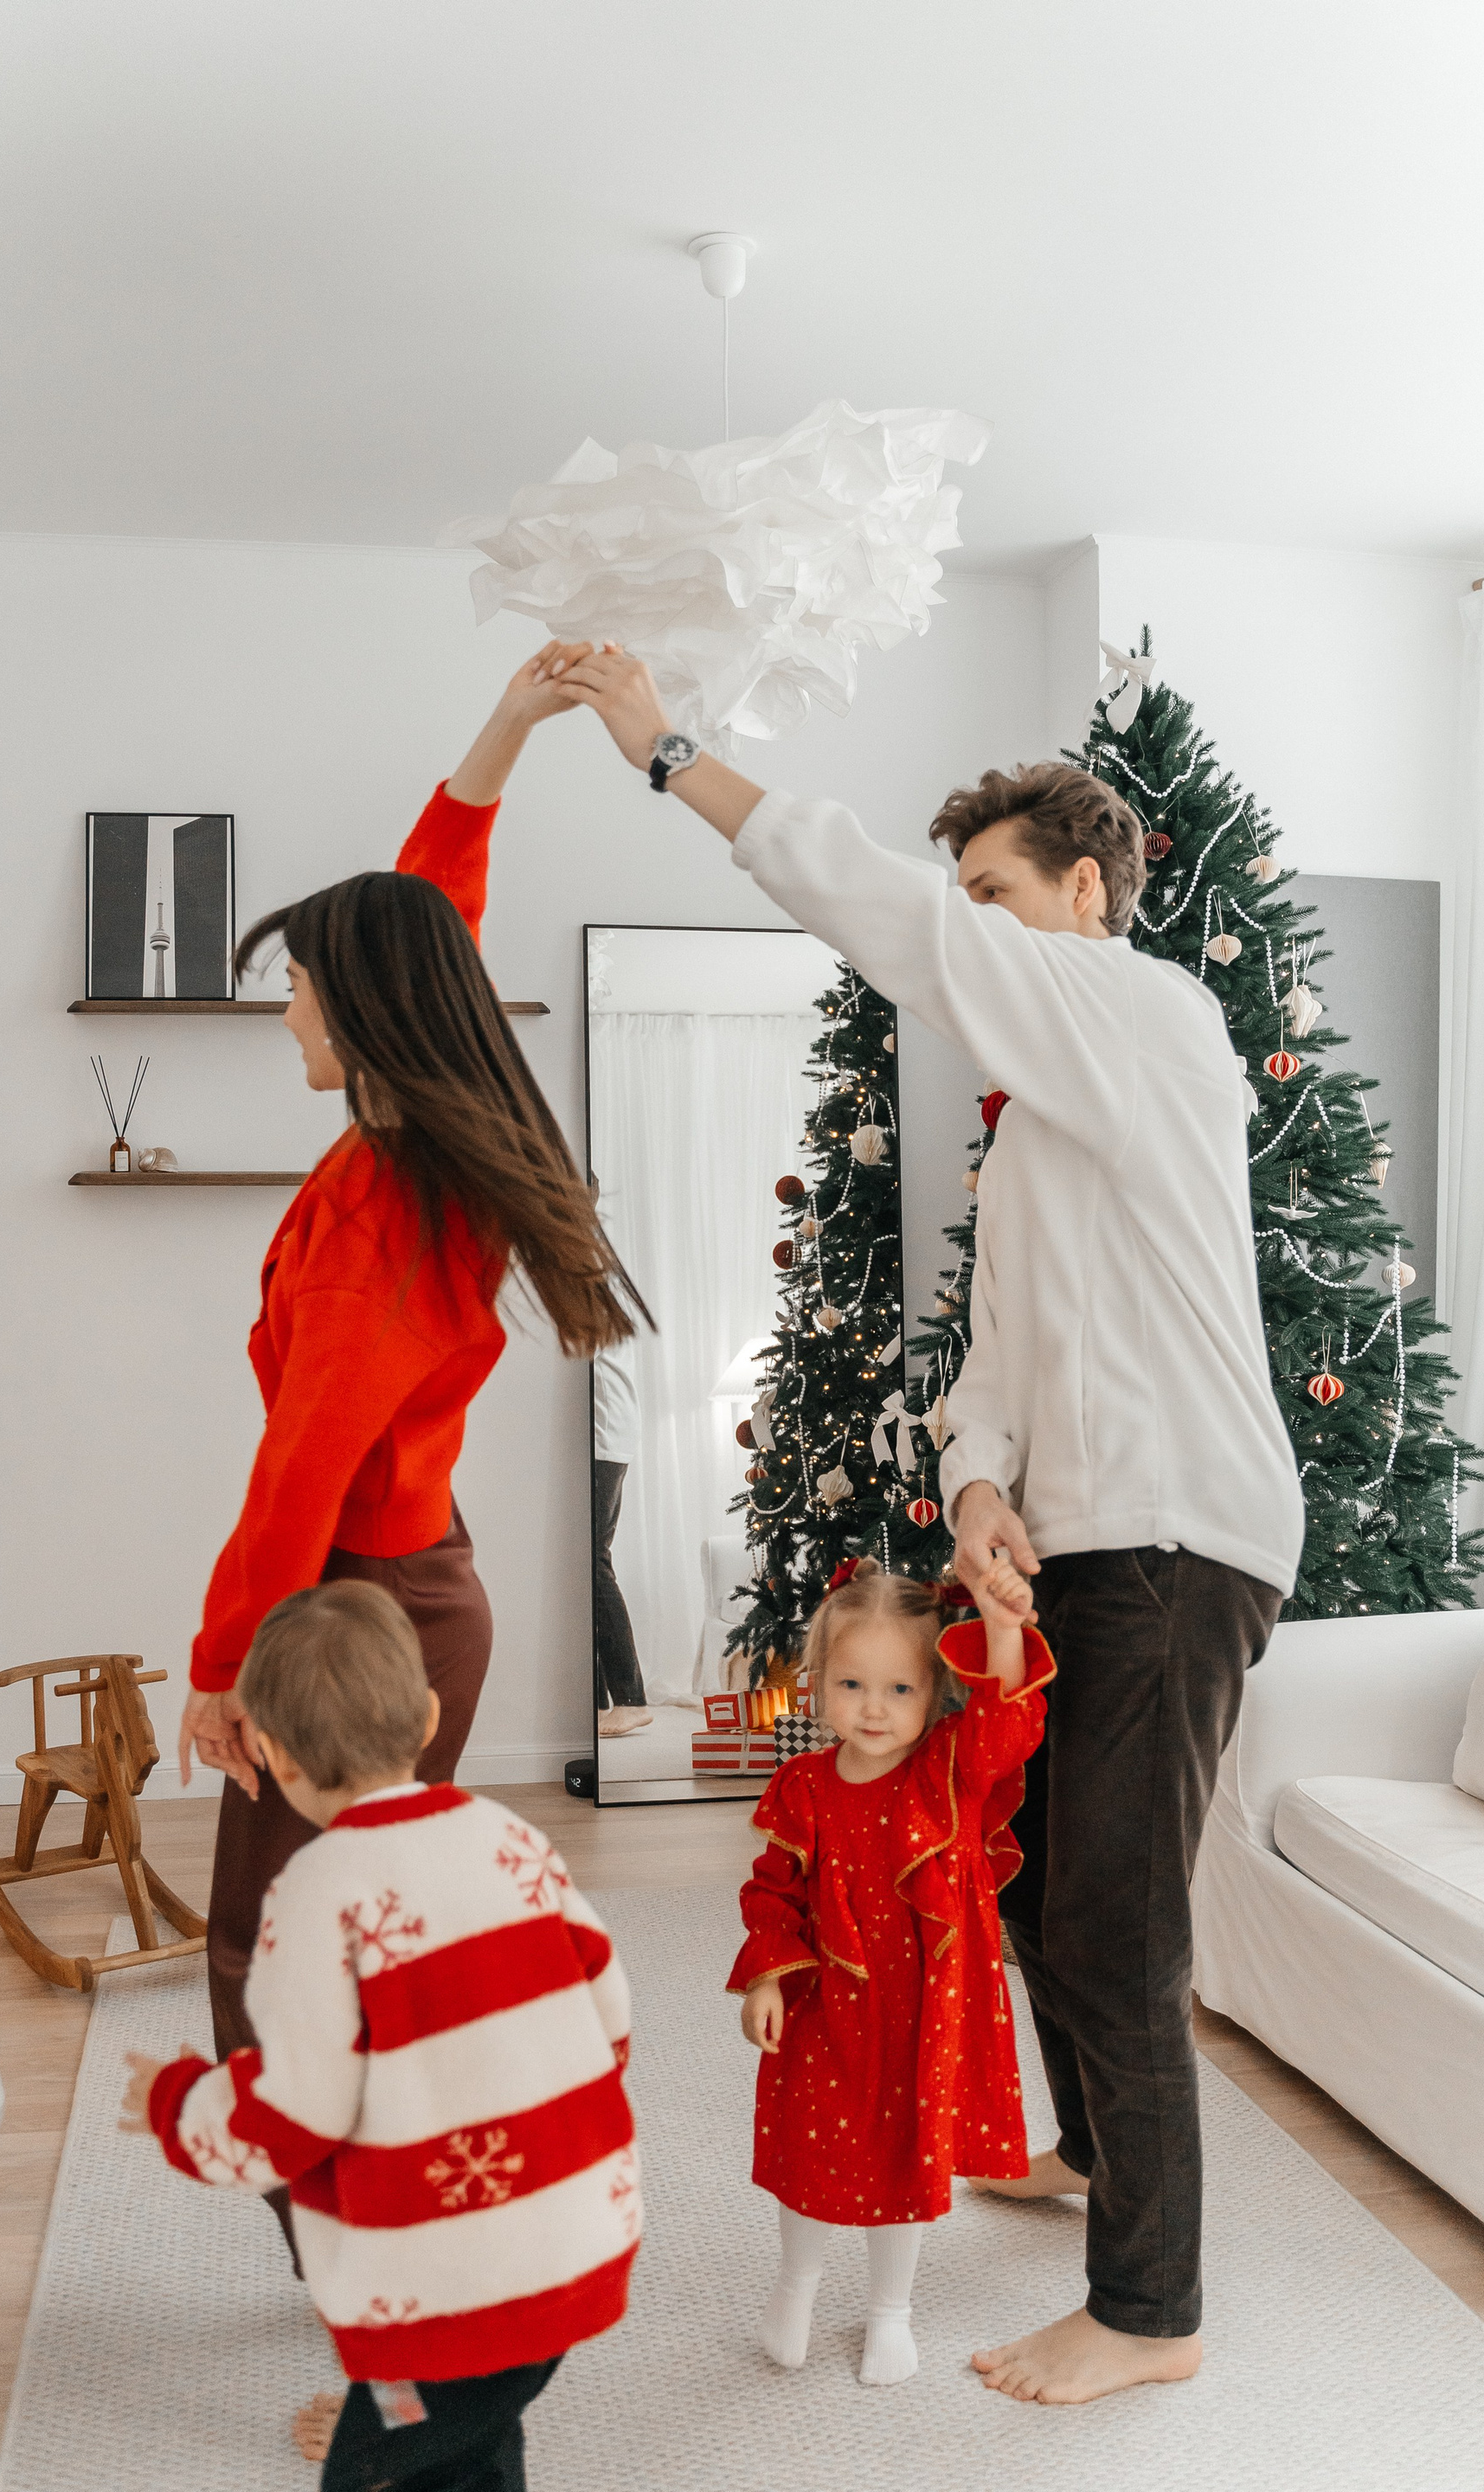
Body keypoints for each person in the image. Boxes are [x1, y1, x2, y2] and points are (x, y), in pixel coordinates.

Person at [556, 645, 1303, 2405]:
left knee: (1116, 1926)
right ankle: (1089, 2155)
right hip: (1089, 1536)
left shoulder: (1145, 1015)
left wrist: (671, 753)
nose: (967, 928)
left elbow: (884, 910)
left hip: (1179, 1531)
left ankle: (1153, 2314)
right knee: (1031, 1879)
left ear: (1088, 894)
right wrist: (976, 1484)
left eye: (994, 896)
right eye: (962, 897)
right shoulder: (1047, 1122)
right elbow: (1003, 1365)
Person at [179, 641, 646, 2104]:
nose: (290, 1014)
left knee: (275, 1949)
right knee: (359, 1935)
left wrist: (221, 1671)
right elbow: (433, 912)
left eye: (300, 989)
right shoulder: (413, 1141)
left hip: (360, 1608)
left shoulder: (384, 1207)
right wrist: (508, 727)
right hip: (406, 1592)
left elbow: (301, 1469)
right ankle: (398, 2165)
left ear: (359, 1010)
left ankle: (338, 2184)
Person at [123, 1579, 638, 2492]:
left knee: (376, 2466)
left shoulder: (315, 1895)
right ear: (429, 1715)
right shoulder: (510, 1837)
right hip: (576, 2243)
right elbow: (609, 2016)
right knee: (476, 2440)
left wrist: (176, 2103)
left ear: (275, 1757)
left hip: (443, 2297)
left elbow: (297, 2113)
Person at [730, 1555, 1053, 2386]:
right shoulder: (801, 1784)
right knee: (812, 2150)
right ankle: (796, 2286)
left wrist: (1004, 1628)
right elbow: (772, 1891)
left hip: (923, 2009)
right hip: (826, 2005)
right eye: (851, 1685)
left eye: (900, 1689)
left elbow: (1009, 1723)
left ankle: (889, 2312)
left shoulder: (949, 1770)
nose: (873, 1709)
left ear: (935, 1692)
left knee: (904, 2158)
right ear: (817, 1684)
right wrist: (767, 1978)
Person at [591, 1343, 652, 1734]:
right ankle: (598, 1701)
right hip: (608, 1433)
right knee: (588, 1562)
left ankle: (631, 1699)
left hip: (603, 1435)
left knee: (592, 1561)